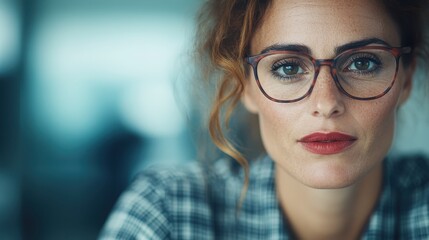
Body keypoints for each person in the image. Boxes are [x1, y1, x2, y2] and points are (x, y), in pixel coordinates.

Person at [100, 0, 429, 239]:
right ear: (246, 87)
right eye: (288, 67)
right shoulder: (169, 212)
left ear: (407, 79)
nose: (326, 103)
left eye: (362, 63)